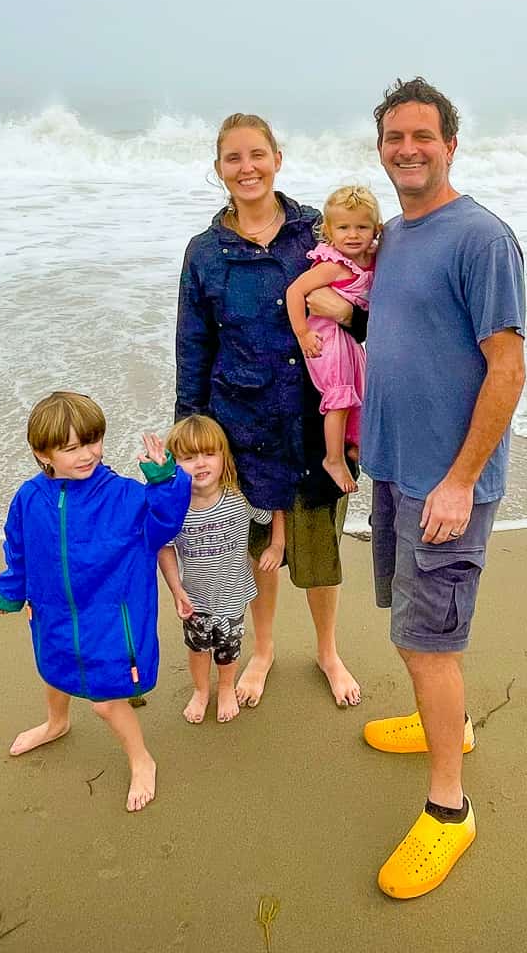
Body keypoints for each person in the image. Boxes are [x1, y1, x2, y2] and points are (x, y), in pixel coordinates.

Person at [358, 77, 526, 898]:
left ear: (450, 144)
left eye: (423, 136)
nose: (408, 149)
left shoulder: (481, 238)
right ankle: (451, 726)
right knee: (408, 623)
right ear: (381, 148)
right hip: (394, 470)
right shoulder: (391, 234)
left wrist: (461, 481)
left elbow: (508, 367)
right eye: (395, 138)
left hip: (446, 484)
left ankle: (450, 808)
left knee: (432, 642)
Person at [175, 113, 364, 709]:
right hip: (240, 426)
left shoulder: (318, 233)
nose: (246, 167)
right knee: (256, 549)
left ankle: (328, 651)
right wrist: (191, 434)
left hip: (316, 420)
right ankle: (262, 648)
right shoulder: (205, 253)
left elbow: (371, 312)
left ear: (278, 158)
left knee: (319, 549)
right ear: (218, 170)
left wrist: (345, 316)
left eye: (257, 154)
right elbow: (194, 344)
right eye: (233, 158)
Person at [0, 391, 190, 813]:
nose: (88, 454)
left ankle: (141, 759)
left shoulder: (123, 496)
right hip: (52, 612)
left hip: (110, 618)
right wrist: (10, 593)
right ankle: (56, 723)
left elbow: (165, 521)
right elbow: (18, 549)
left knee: (104, 701)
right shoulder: (29, 498)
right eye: (71, 447)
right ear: (43, 453)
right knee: (53, 669)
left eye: (92, 441)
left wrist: (164, 479)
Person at [155, 414, 261, 725]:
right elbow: (164, 547)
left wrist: (276, 546)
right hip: (195, 599)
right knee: (198, 648)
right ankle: (201, 691)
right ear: (176, 463)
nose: (200, 464)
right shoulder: (177, 508)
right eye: (189, 457)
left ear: (223, 455)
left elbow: (273, 509)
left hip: (233, 595)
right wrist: (177, 591)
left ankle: (226, 687)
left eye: (209, 454)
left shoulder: (240, 498)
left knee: (229, 650)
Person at [282, 184, 383, 494]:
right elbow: (294, 291)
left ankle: (353, 445)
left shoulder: (372, 258)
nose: (352, 235)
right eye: (343, 227)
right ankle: (333, 458)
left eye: (361, 227)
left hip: (348, 340)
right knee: (339, 397)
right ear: (328, 230)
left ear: (375, 229)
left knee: (361, 391)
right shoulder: (333, 265)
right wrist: (302, 333)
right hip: (324, 339)